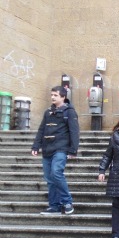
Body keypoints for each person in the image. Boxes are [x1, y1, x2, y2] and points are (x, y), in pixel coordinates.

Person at [32, 86, 79, 215]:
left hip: (61, 148)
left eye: (56, 95)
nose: (52, 97)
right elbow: (42, 130)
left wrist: (73, 150)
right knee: (49, 178)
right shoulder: (48, 112)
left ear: (63, 97)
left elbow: (74, 132)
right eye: (52, 95)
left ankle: (67, 202)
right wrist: (36, 146)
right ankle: (54, 205)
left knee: (56, 172)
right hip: (47, 148)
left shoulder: (69, 112)